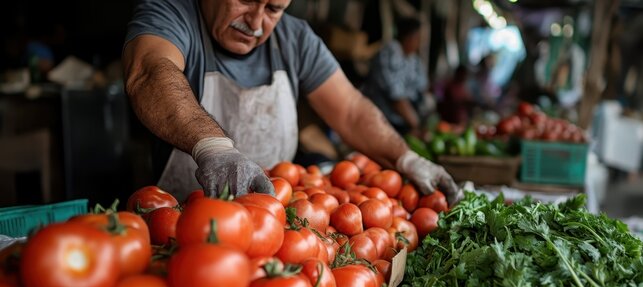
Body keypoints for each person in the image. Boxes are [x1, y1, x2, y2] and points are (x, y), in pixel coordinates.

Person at [122, 0, 460, 204]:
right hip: (184, 223)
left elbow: (352, 111)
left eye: (273, 9)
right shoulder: (171, 14)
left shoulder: (295, 39)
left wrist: (407, 158)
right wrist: (213, 147)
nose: (255, 23)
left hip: (273, 230)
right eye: (245, 1)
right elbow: (151, 71)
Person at [361, 16, 429, 135]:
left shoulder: (412, 59)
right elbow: (396, 97)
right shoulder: (390, 53)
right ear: (409, 37)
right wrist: (416, 125)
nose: (421, 43)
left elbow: (422, 85)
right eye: (419, 38)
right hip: (383, 122)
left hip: (403, 121)